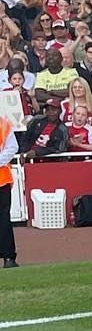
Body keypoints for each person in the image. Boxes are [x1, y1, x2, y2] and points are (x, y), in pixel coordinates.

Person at [0, 108, 17, 266]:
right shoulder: (3, 123)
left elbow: (12, 147)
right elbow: (12, 148)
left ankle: (8, 257)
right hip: (2, 177)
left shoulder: (3, 123)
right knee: (3, 218)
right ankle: (9, 258)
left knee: (3, 218)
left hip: (2, 179)